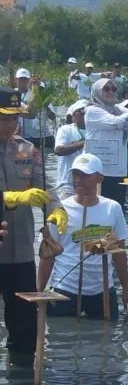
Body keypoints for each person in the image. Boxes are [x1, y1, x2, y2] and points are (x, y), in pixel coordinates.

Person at [0, 87, 66, 362]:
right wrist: (10, 197)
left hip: (21, 249)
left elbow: (44, 184)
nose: (12, 124)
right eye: (5, 118)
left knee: (25, 322)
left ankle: (23, 379)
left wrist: (56, 209)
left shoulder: (26, 149)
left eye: (15, 118)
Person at [36, 154, 128, 319]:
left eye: (85, 175)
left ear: (100, 178)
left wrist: (126, 290)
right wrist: (39, 292)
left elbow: (120, 253)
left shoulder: (113, 208)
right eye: (75, 174)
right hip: (65, 289)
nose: (78, 180)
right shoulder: (60, 210)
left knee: (106, 340)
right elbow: (47, 254)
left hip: (102, 289)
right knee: (61, 341)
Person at [83, 78, 128, 211]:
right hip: (96, 169)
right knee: (95, 209)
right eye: (106, 89)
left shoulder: (117, 109)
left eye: (113, 89)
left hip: (117, 169)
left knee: (117, 209)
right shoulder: (92, 110)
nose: (110, 92)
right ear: (97, 91)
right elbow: (117, 122)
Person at [54, 99, 88, 199]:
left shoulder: (96, 131)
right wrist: (84, 143)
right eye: (81, 112)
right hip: (67, 185)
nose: (85, 114)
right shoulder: (66, 130)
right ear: (73, 115)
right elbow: (58, 150)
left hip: (90, 184)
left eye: (87, 112)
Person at [17, 69, 56, 149]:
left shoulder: (46, 100)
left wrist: (45, 106)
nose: (39, 90)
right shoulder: (25, 96)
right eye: (37, 88)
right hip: (27, 137)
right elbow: (29, 113)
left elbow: (53, 118)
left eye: (41, 89)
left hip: (44, 137)